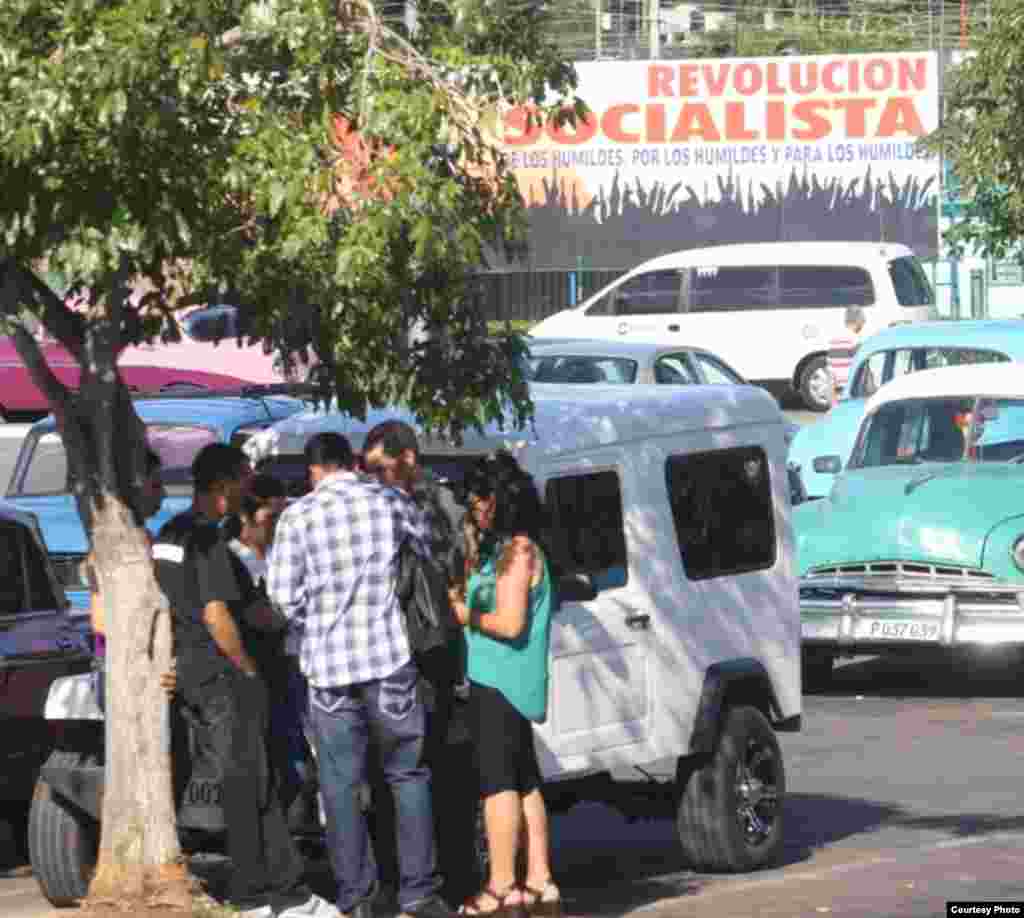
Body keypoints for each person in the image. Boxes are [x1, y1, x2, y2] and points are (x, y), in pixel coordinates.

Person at [267, 432, 455, 918]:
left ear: (313, 470)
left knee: (341, 787)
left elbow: (282, 598)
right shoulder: (389, 500)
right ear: (350, 462)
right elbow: (432, 551)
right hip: (390, 660)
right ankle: (419, 893)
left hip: (328, 672)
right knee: (407, 774)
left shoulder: (297, 517)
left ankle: (359, 897)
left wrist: (319, 621)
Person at [154, 443, 337, 918]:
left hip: (189, 674)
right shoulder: (207, 540)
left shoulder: (169, 534)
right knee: (248, 781)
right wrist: (247, 669)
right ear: (223, 485)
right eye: (242, 479)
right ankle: (255, 894)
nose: (246, 489)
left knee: (257, 778)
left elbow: (185, 604)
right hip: (222, 675)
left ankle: (287, 888)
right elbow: (218, 615)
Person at [361, 419, 478, 905]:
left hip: (426, 658)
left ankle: (437, 882)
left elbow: (448, 573)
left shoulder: (424, 507)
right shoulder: (406, 504)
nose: (371, 479)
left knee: (427, 773)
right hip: (415, 656)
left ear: (406, 458)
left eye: (379, 467)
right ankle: (428, 882)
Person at [448, 452, 561, 918]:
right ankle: (539, 879)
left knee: (497, 785)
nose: (474, 509)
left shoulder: (517, 551)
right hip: (512, 680)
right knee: (524, 779)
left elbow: (511, 622)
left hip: (499, 678)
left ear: (499, 501)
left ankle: (500, 885)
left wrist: (463, 614)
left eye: (480, 501)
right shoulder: (510, 548)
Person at [225, 473, 313, 817]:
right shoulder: (232, 558)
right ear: (246, 515)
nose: (277, 525)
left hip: (297, 662)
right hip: (258, 668)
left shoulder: (285, 554)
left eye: (282, 516)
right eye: (270, 516)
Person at [88, 447, 166, 711]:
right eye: (156, 485)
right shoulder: (116, 541)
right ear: (135, 485)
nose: (163, 494)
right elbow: (102, 619)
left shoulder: (144, 538)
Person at [826, 305, 868, 406]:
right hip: (853, 393)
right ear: (858, 321)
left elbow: (831, 373)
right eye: (863, 321)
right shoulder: (856, 340)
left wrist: (833, 401)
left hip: (838, 393)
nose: (863, 324)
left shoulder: (834, 341)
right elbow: (862, 368)